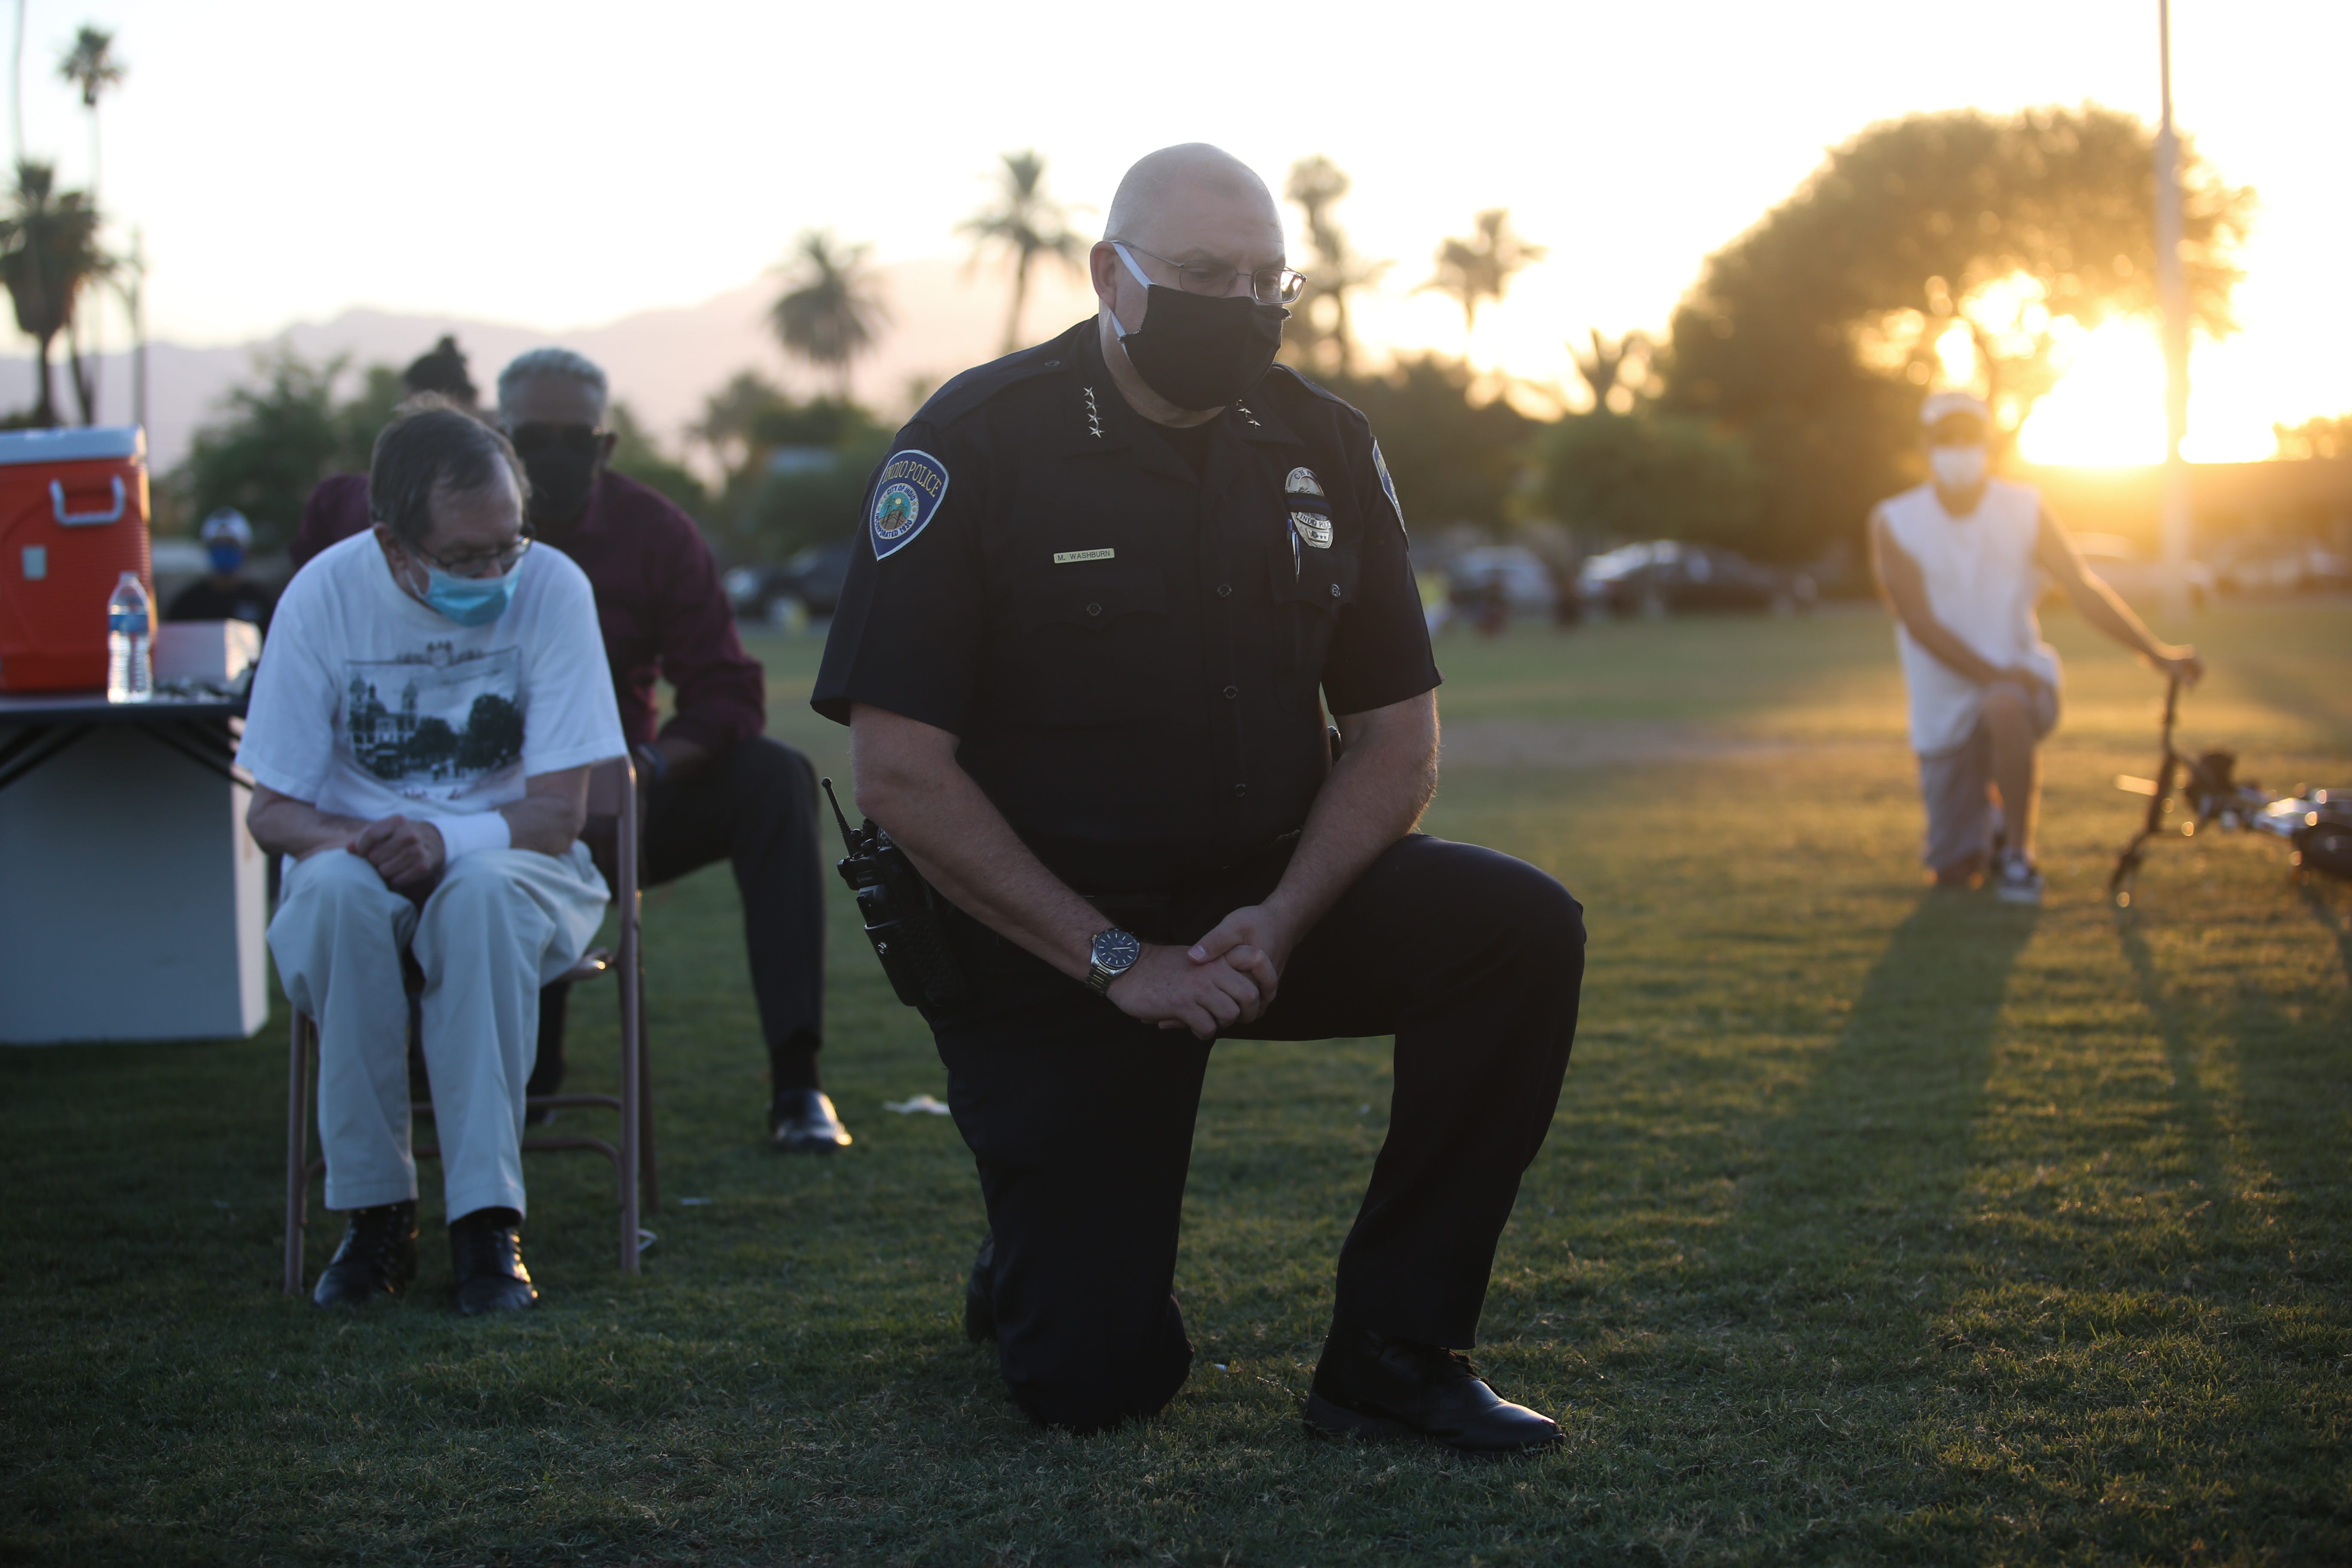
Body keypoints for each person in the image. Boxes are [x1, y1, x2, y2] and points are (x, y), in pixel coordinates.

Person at [814, 144, 1585, 1453]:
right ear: (1111, 275)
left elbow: (1397, 740)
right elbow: (898, 772)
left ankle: (1395, 1353)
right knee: (1097, 1381)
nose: (1239, 303)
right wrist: (1121, 962)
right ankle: (1030, 1251)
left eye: (1263, 278)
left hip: (1256, 902)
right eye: (1201, 275)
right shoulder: (975, 443)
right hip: (1053, 942)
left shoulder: (1326, 446)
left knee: (1517, 928)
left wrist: (1280, 922)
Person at [292, 349, 845, 1152]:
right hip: (455, 800)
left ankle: (797, 1079)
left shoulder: (654, 533)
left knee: (776, 776)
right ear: (496, 437)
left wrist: (644, 769)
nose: (553, 455)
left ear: (606, 445)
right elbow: (331, 518)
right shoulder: (406, 527)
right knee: (484, 845)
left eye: (574, 438)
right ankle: (486, 1081)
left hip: (609, 799)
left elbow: (728, 691)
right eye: (531, 436)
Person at [240, 401, 626, 1312]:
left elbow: (560, 814)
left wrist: (445, 840)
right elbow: (274, 813)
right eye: (464, 559)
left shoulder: (554, 588)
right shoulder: (323, 597)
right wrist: (364, 844)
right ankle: (375, 1213)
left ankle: (487, 1222)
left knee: (481, 895)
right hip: (358, 861)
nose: (494, 573)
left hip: (518, 859)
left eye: (509, 545)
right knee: (335, 894)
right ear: (392, 546)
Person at [1871, 392, 2204, 904]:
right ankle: (1989, 823)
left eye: (1969, 438)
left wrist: (2157, 653)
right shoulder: (1894, 520)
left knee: (2004, 707)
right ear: (1926, 444)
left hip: (2023, 681)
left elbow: (2082, 588)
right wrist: (1990, 672)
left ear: (1988, 445)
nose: (1959, 450)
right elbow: (1916, 620)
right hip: (1942, 701)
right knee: (1955, 870)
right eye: (1947, 439)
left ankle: (2019, 856)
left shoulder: (2024, 506)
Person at [165, 508, 275, 634]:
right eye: (217, 545)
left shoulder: (263, 603)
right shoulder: (186, 604)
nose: (223, 550)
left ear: (246, 551)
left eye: (231, 544)